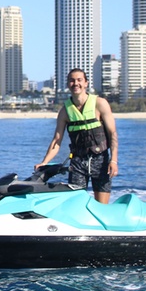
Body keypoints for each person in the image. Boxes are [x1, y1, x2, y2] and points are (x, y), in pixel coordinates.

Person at [36, 68, 118, 203]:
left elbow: (112, 134)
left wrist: (113, 161)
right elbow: (57, 140)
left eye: (79, 80)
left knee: (101, 206)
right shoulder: (65, 111)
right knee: (76, 203)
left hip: (101, 160)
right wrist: (44, 162)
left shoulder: (100, 103)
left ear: (86, 83)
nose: (76, 83)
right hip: (78, 163)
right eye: (72, 81)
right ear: (68, 84)